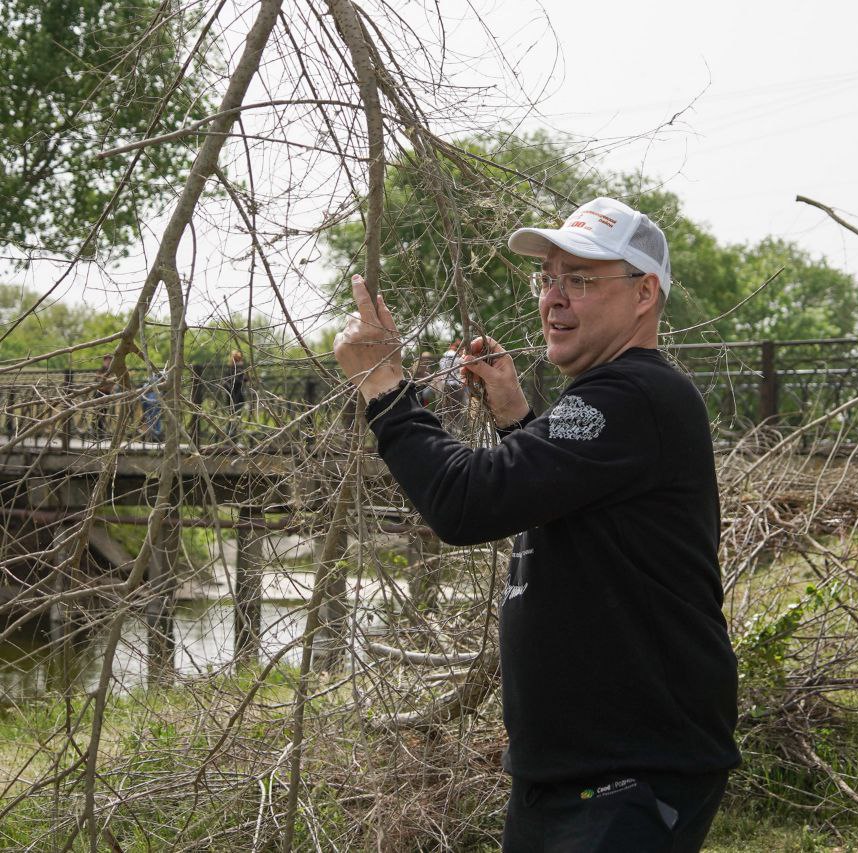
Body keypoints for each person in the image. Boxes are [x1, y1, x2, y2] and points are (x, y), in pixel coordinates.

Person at [333, 197, 740, 851]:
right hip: (569, 776)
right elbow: (576, 520)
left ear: (644, 294)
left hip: (628, 777)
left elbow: (466, 503)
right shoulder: (614, 400)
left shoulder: (635, 395)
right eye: (547, 278)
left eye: (579, 279)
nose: (554, 298)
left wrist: (386, 387)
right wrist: (518, 420)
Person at [224, 350, 247, 439]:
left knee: (236, 416)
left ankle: (234, 435)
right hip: (232, 396)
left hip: (238, 396)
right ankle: (231, 435)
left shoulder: (239, 368)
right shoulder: (231, 368)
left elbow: (244, 380)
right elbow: (228, 382)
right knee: (233, 416)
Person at [93, 353, 117, 438]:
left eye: (110, 360)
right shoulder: (101, 370)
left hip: (107, 394)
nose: (109, 362)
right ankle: (96, 432)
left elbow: (113, 382)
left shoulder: (112, 370)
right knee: (97, 413)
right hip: (99, 393)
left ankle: (101, 432)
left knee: (104, 413)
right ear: (104, 361)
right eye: (107, 360)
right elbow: (99, 381)